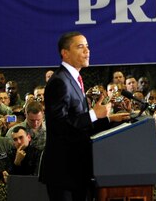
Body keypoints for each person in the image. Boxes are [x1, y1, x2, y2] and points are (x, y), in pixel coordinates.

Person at [38, 32, 129, 201]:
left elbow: (80, 124)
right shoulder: (59, 81)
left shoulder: (74, 79)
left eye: (87, 46)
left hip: (77, 169)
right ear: (65, 53)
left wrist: (109, 120)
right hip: (63, 171)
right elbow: (60, 126)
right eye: (80, 47)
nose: (87, 51)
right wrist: (94, 114)